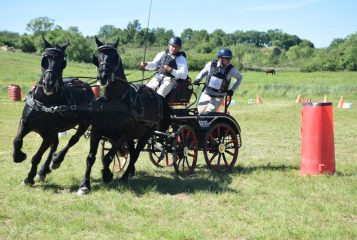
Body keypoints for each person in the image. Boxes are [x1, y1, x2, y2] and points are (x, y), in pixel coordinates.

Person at [194, 48, 243, 114]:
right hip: (206, 94)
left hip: (218, 97)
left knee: (208, 114)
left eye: (230, 58)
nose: (229, 61)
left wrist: (232, 90)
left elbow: (240, 77)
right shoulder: (211, 64)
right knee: (199, 112)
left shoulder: (231, 70)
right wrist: (198, 79)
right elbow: (203, 73)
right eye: (227, 59)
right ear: (220, 58)